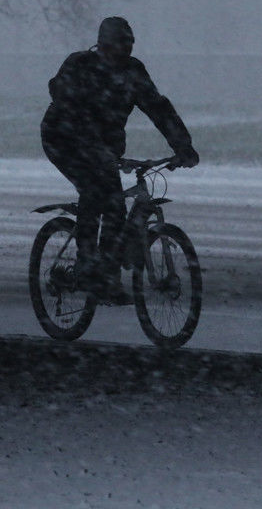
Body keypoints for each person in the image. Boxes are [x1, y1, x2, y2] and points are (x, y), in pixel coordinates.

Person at [40, 16, 199, 303]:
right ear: (101, 45)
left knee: (115, 205)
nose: (123, 54)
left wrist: (183, 146)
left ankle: (108, 275)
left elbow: (158, 108)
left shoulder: (133, 72)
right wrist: (92, 144)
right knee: (96, 191)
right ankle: (88, 264)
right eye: (117, 48)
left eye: (128, 47)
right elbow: (68, 105)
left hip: (103, 147)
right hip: (63, 139)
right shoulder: (80, 66)